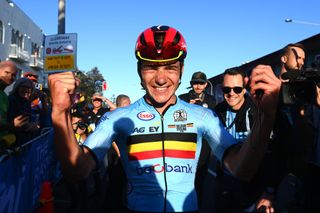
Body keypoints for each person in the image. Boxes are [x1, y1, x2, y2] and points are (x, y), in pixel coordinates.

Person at [48, 25, 281, 212]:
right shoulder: (117, 118)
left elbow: (242, 170)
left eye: (170, 68)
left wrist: (266, 116)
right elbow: (76, 171)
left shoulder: (203, 116)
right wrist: (60, 114)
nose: (161, 78)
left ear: (181, 72)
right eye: (151, 67)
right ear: (140, 72)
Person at [273, 43, 320, 212]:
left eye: (303, 59)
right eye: (297, 57)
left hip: (303, 161)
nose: (301, 62)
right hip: (275, 160)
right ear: (284, 59)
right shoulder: (271, 88)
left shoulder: (308, 88)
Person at [179, 71, 216, 207]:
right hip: (187, 142)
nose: (198, 86)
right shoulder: (182, 98)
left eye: (201, 83)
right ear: (191, 84)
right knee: (185, 177)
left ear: (206, 84)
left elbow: (213, 119)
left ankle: (197, 204)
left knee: (201, 176)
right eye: (195, 83)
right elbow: (178, 120)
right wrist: (188, 107)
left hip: (204, 144)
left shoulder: (211, 100)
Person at [0, 61, 29, 151]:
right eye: (7, 72)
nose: (10, 77)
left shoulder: (4, 96)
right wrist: (12, 125)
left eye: (13, 75)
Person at [7, 77, 40, 145]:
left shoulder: (26, 101)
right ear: (17, 86)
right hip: (12, 140)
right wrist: (29, 127)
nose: (27, 90)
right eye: (24, 87)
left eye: (30, 88)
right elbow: (12, 122)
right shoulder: (12, 100)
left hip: (24, 140)